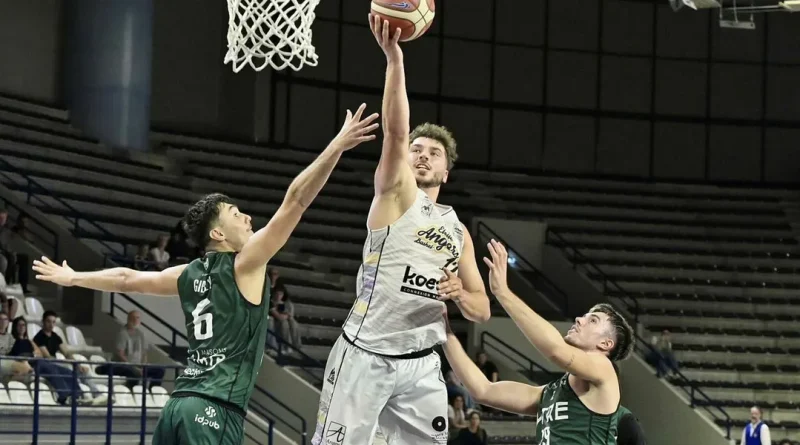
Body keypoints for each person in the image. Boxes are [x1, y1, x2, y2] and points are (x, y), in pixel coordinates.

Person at [32, 104, 378, 445]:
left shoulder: (186, 273)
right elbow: (296, 201)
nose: (247, 218)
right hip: (215, 410)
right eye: (236, 214)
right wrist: (336, 147)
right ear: (217, 233)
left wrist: (74, 277)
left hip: (178, 407)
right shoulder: (245, 264)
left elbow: (126, 279)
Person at [312, 16, 492, 445]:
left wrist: (460, 294)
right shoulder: (395, 193)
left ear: (446, 172)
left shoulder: (458, 231)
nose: (423, 156)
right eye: (417, 150)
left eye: (434, 153)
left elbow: (482, 310)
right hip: (366, 353)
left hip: (421, 362)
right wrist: (395, 61)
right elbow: (394, 132)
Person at [443, 240, 635, 444]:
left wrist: (502, 292)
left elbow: (555, 350)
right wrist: (443, 329)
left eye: (593, 320)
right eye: (585, 316)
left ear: (606, 344)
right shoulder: (549, 393)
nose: (580, 319)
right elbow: (483, 390)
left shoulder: (605, 370)